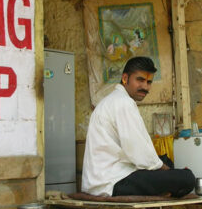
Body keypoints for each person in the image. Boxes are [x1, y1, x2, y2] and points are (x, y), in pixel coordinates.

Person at [82, 56, 195, 197]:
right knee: (187, 178)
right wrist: (164, 169)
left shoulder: (115, 100)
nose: (145, 87)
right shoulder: (123, 103)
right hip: (112, 182)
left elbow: (138, 152)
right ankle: (166, 190)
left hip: (108, 178)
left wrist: (162, 166)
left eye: (149, 82)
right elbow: (137, 149)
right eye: (140, 80)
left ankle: (165, 189)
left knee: (165, 161)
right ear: (125, 78)